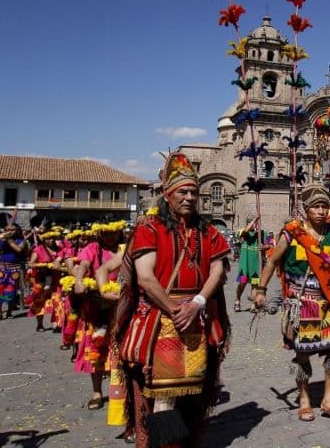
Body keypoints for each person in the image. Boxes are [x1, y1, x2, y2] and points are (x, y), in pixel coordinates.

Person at [115, 152, 231, 447]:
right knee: (162, 396)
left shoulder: (209, 232)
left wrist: (198, 303)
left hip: (197, 319)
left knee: (194, 397)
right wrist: (176, 309)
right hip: (159, 321)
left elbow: (217, 271)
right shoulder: (149, 229)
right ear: (167, 195)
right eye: (183, 192)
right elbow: (145, 277)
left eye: (194, 192)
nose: (189, 197)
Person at [252, 183, 330, 422]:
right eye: (315, 207)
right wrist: (261, 289)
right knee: (303, 354)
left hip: (329, 300)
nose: (320, 211)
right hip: (302, 302)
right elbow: (272, 262)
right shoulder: (291, 233)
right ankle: (304, 399)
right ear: (305, 209)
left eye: (324, 207)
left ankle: (329, 400)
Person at [72, 221, 125, 410]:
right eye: (106, 233)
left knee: (121, 349)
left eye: (113, 233)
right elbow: (83, 265)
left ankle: (121, 391)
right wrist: (79, 281)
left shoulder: (124, 248)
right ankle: (97, 392)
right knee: (96, 348)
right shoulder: (92, 248)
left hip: (121, 305)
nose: (110, 237)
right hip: (97, 307)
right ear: (99, 234)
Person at [0, 223, 26, 320]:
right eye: (7, 230)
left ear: (18, 231)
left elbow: (19, 249)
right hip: (1, 268)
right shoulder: (2, 240)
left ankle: (9, 312)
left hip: (14, 269)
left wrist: (8, 239)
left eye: (12, 230)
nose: (9, 231)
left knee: (10, 291)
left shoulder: (22, 241)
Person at [235, 216, 261, 313]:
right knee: (242, 283)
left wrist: (264, 247)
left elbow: (270, 244)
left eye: (256, 224)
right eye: (253, 223)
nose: (255, 225)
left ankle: (253, 305)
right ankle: (237, 300)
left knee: (255, 284)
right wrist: (254, 220)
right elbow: (245, 231)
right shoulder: (242, 232)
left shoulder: (261, 234)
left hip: (255, 265)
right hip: (244, 264)